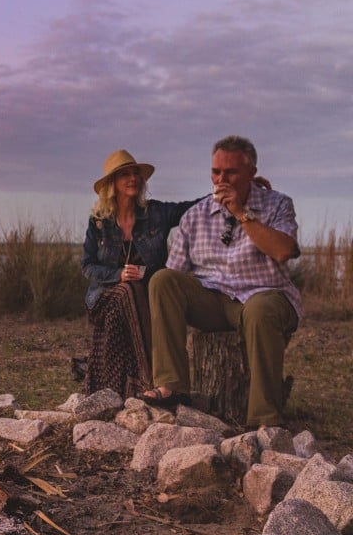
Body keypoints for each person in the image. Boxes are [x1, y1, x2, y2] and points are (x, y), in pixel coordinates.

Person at [141, 135, 300, 428]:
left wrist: (241, 213)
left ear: (251, 173)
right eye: (216, 171)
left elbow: (283, 250)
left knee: (260, 311)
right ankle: (172, 386)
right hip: (213, 301)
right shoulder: (195, 215)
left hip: (263, 295)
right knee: (162, 281)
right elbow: (172, 276)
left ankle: (264, 421)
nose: (221, 178)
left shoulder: (278, 204)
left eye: (231, 172)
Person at [81, 150, 200, 397]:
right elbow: (87, 266)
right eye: (125, 174)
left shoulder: (156, 213)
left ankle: (144, 384)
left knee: (136, 290)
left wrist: (233, 189)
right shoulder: (99, 222)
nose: (133, 178)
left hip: (148, 293)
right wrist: (118, 274)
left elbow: (194, 208)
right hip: (106, 295)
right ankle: (151, 380)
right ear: (112, 184)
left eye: (136, 173)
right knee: (127, 289)